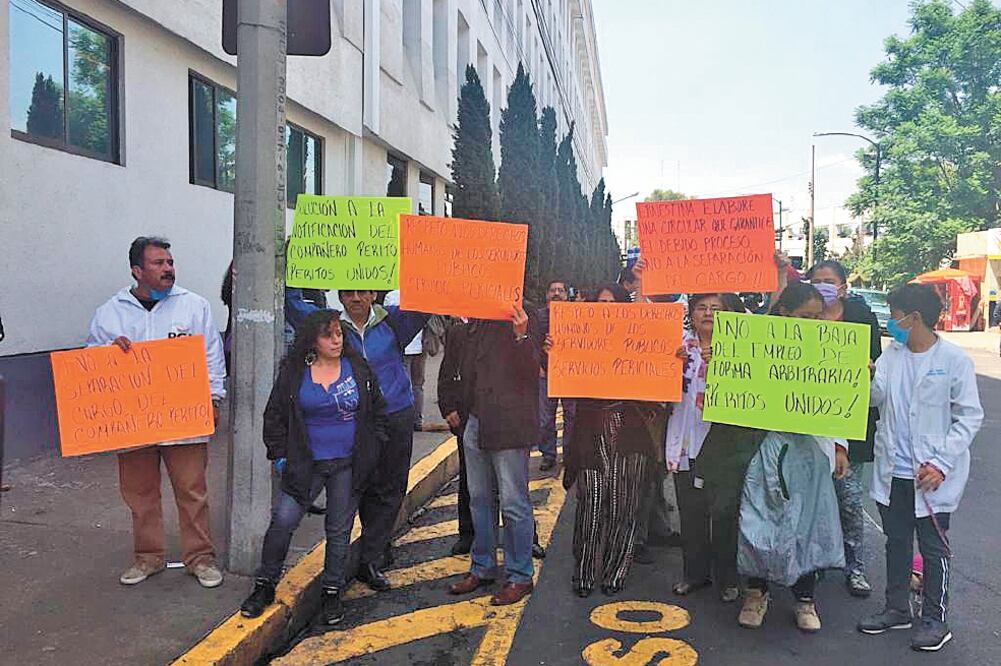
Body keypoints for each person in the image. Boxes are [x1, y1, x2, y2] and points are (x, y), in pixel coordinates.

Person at [87, 236, 226, 588]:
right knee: (140, 493)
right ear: (137, 271)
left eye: (170, 262)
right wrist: (108, 352)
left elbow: (212, 353)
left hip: (184, 418)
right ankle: (148, 557)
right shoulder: (110, 313)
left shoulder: (194, 306)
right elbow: (90, 363)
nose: (168, 269)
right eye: (158, 264)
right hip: (132, 423)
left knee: (192, 490)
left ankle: (200, 558)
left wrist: (214, 397)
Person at [239, 310, 387, 624]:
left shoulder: (357, 368)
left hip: (348, 465)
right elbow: (274, 417)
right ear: (312, 340)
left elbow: (377, 412)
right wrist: (280, 457)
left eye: (339, 334)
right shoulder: (294, 372)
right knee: (283, 521)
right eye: (328, 335)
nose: (336, 340)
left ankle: (332, 591)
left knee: (338, 531)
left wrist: (373, 449)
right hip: (306, 465)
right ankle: (264, 585)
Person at [858, 284, 983, 653]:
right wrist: (864, 377)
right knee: (895, 542)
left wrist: (942, 463)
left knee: (933, 547)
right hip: (893, 471)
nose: (891, 322)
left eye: (895, 314)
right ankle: (896, 608)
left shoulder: (954, 360)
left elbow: (969, 417)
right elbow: (874, 401)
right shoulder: (891, 357)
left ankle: (935, 618)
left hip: (931, 476)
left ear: (914, 318)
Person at [736, 281, 851, 633]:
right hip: (764, 448)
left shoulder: (833, 348)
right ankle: (756, 593)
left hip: (811, 451)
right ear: (785, 312)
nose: (813, 324)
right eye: (805, 317)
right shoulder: (754, 342)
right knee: (757, 522)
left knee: (808, 524)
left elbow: (839, 399)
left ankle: (805, 598)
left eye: (818, 317)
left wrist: (839, 445)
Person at [559, 284, 663, 597]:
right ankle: (584, 571)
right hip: (591, 428)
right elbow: (552, 371)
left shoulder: (638, 338)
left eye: (612, 302)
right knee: (590, 501)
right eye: (600, 302)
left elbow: (657, 349)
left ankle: (615, 571)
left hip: (630, 428)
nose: (605, 307)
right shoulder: (580, 339)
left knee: (624, 504)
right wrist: (554, 349)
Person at [336, 289, 428, 590]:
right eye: (349, 294)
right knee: (360, 485)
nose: (356, 299)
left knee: (390, 487)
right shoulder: (331, 328)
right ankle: (375, 544)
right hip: (354, 421)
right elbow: (293, 307)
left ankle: (371, 558)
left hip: (395, 414)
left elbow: (427, 298)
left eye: (362, 292)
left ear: (373, 294)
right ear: (340, 298)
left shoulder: (394, 323)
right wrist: (285, 263)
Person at [448, 303, 539, 606]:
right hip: (476, 420)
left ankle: (520, 575)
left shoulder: (524, 317)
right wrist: (454, 407)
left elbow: (536, 371)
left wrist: (521, 337)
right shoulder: (472, 321)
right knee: (479, 499)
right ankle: (482, 565)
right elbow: (459, 368)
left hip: (510, 425)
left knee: (513, 503)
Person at [808, 259, 883, 597]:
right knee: (813, 498)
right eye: (817, 280)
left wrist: (868, 371)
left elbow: (875, 368)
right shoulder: (803, 319)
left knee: (850, 501)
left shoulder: (861, 319)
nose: (824, 285)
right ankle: (818, 563)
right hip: (809, 420)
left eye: (829, 280)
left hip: (852, 423)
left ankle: (855, 567)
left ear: (842, 286)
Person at [666, 292, 746, 603]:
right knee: (691, 512)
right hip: (685, 442)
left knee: (724, 513)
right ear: (691, 312)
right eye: (701, 307)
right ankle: (694, 574)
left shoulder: (739, 348)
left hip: (722, 445)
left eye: (716, 308)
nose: (708, 313)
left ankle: (728, 577)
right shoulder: (679, 345)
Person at [437, 317, 475, 555]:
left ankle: (526, 537)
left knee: (512, 485)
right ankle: (468, 533)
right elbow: (447, 372)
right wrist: (448, 407)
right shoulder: (458, 333)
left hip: (505, 420)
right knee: (468, 478)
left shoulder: (514, 326)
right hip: (467, 417)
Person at [530, 279, 575, 472]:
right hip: (545, 374)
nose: (556, 293)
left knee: (572, 416)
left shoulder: (577, 316)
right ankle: (548, 454)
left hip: (570, 375)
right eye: (552, 290)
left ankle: (570, 454)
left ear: (567, 295)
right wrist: (537, 364)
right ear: (547, 294)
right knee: (545, 419)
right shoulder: (538, 317)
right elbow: (531, 343)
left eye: (560, 290)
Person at [384, 290, 426, 432]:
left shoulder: (392, 296)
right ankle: (417, 419)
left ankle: (411, 418)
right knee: (417, 384)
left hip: (409, 348)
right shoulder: (417, 294)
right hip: (417, 346)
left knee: (409, 383)